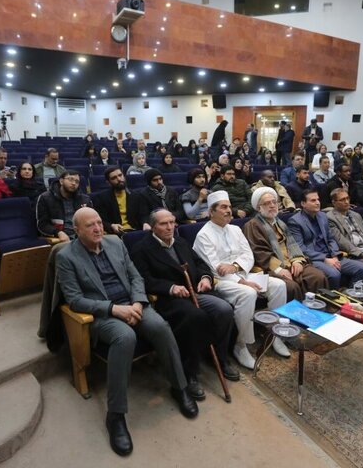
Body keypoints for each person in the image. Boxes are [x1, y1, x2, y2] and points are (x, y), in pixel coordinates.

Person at [56, 208, 198, 456]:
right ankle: (116, 416)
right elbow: (75, 300)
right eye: (90, 225)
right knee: (125, 337)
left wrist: (137, 302)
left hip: (133, 304)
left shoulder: (115, 242)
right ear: (76, 230)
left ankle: (179, 387)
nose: (98, 228)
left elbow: (135, 276)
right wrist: (114, 309)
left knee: (161, 327)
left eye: (100, 222)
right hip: (102, 314)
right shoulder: (66, 256)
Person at [132, 210, 240, 396]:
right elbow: (143, 279)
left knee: (224, 310)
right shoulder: (141, 249)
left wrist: (206, 278)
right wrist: (170, 288)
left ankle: (219, 358)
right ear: (153, 227)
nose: (170, 227)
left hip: (195, 291)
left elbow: (200, 264)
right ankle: (190, 372)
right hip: (169, 299)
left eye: (172, 222)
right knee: (195, 317)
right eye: (163, 224)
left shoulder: (181, 242)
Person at [193, 191, 288, 369]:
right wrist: (241, 281)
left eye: (229, 206)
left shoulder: (236, 229)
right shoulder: (203, 235)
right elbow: (215, 268)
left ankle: (274, 335)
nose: (229, 210)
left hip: (243, 274)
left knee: (279, 285)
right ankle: (240, 345)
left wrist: (235, 267)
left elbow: (248, 255)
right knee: (249, 293)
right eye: (223, 207)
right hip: (221, 282)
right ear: (212, 211)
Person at [244, 187, 328, 301]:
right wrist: (279, 269)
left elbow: (292, 244)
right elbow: (259, 252)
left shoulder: (280, 223)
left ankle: (316, 310)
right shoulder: (253, 225)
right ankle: (297, 315)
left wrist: (297, 260)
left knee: (317, 276)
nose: (273, 205)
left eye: (274, 202)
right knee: (291, 287)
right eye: (267, 203)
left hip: (291, 262)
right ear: (259, 208)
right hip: (271, 267)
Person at [288, 189, 363, 289]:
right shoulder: (295, 221)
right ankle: (332, 300)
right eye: (313, 200)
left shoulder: (322, 216)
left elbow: (331, 238)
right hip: (314, 258)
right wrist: (325, 259)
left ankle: (352, 298)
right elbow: (300, 248)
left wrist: (334, 254)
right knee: (334, 274)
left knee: (362, 268)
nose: (317, 202)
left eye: (318, 199)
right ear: (303, 203)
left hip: (331, 255)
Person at [36, 169, 92, 241]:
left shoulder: (84, 199)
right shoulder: (45, 198)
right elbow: (42, 225)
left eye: (77, 181)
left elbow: (91, 220)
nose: (74, 183)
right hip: (61, 237)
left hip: (82, 235)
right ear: (61, 181)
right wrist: (58, 232)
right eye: (70, 179)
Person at [93, 166, 140, 235]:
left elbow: (143, 215)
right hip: (115, 233)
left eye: (120, 175)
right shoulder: (101, 198)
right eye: (114, 178)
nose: (119, 179)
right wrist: (111, 226)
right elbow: (100, 220)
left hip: (135, 230)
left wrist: (145, 223)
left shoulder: (136, 195)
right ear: (108, 182)